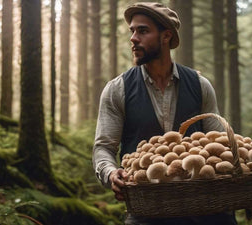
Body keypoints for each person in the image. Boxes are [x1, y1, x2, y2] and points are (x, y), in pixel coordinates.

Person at [92, 2, 237, 225]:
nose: (133, 38)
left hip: (204, 210)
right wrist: (111, 173)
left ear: (166, 36)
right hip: (147, 210)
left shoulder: (200, 85)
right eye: (132, 31)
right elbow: (103, 147)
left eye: (142, 31)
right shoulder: (117, 89)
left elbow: (220, 142)